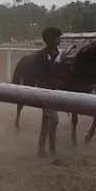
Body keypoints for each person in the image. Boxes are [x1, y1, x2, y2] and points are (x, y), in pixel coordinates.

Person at [36, 27, 64, 156]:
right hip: (45, 91)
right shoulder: (41, 55)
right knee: (54, 119)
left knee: (46, 122)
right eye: (58, 37)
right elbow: (40, 75)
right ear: (51, 39)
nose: (60, 39)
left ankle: (41, 149)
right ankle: (52, 149)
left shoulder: (59, 53)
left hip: (54, 92)